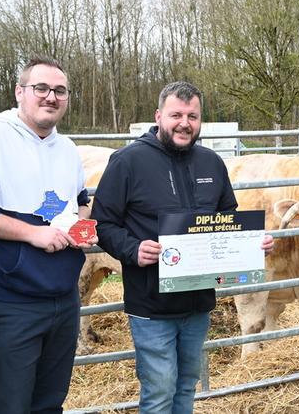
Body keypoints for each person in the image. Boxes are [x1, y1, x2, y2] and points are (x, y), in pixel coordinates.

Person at [91, 81, 274, 414]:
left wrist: (252, 243)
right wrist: (133, 249)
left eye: (193, 115)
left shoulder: (211, 163)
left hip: (199, 303)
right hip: (151, 306)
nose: (185, 123)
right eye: (176, 114)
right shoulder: (127, 162)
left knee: (187, 385)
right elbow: (102, 225)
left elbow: (227, 220)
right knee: (159, 392)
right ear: (159, 116)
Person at [0, 56, 98, 413]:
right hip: (8, 301)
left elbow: (80, 201)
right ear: (19, 92)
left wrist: (80, 226)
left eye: (60, 90)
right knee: (8, 406)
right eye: (40, 88)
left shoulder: (67, 149)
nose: (50, 97)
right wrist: (31, 233)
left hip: (62, 299)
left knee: (49, 404)